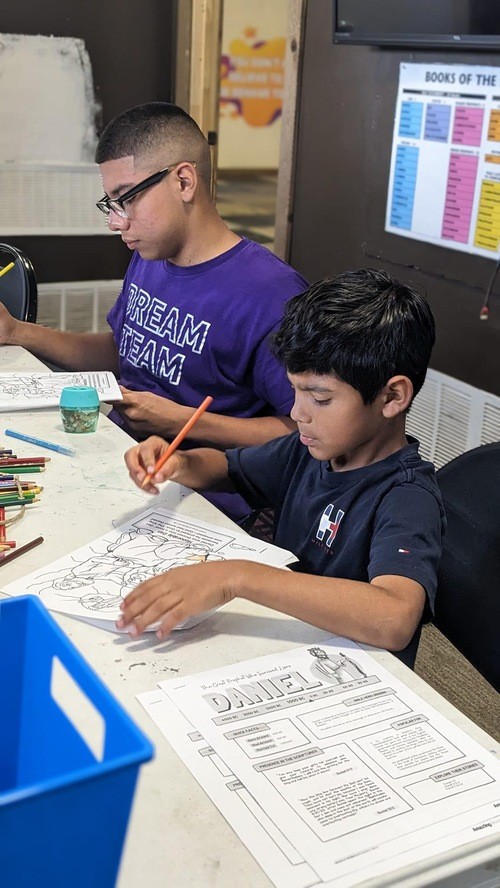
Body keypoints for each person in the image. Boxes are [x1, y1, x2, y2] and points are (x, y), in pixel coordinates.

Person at [118, 267, 445, 668]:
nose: (297, 413)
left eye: (320, 399)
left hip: (352, 674)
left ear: (392, 397)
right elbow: (226, 469)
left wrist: (237, 577)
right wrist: (179, 462)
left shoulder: (407, 495)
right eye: (294, 390)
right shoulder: (309, 450)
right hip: (290, 644)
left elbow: (394, 618)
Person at [0, 102, 308, 519]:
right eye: (109, 203)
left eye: (125, 199)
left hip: (201, 498)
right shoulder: (151, 256)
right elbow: (122, 351)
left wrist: (181, 421)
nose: (115, 222)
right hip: (118, 460)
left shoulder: (271, 294)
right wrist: (16, 331)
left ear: (184, 181)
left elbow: (305, 431)